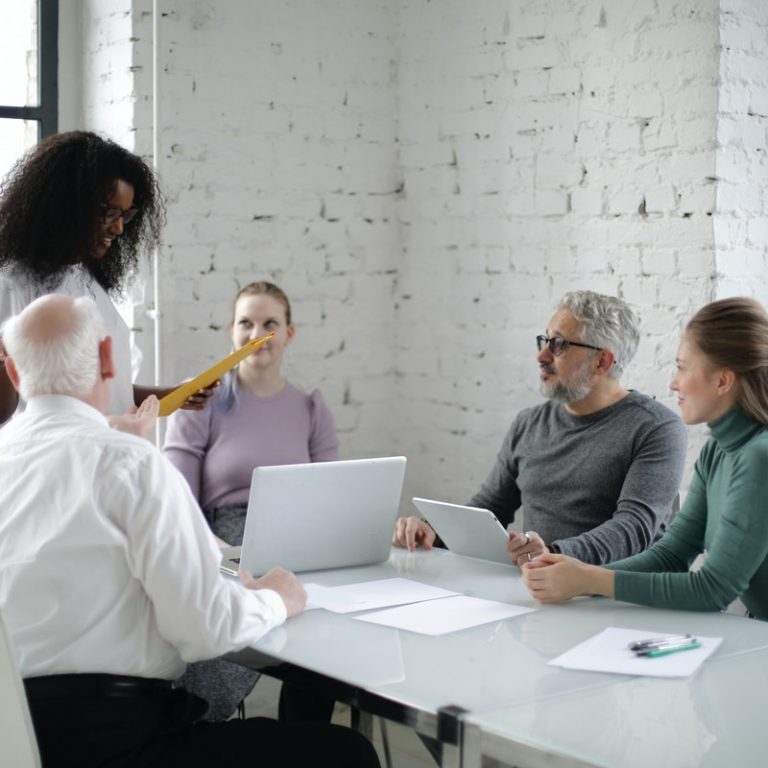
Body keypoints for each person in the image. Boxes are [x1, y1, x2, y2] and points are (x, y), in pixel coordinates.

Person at [0, 293, 379, 768]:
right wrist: (279, 599)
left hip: (14, 740)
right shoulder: (131, 463)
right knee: (347, 754)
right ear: (107, 358)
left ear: (14, 372)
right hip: (119, 743)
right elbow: (206, 629)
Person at [393, 290, 687, 566]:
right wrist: (434, 530)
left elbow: (634, 528)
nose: (542, 355)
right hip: (539, 586)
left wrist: (553, 555)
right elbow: (491, 508)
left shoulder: (656, 429)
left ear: (602, 361)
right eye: (545, 341)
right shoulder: (529, 423)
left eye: (558, 344)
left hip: (614, 594)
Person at [522, 297, 768, 620]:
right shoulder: (717, 450)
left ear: (723, 381)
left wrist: (588, 580)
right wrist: (579, 576)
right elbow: (671, 555)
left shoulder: (759, 457)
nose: (673, 383)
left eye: (682, 367)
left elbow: (713, 590)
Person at [164, 280, 339, 721]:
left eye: (269, 324)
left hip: (297, 545)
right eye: (246, 322)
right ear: (232, 330)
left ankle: (306, 741)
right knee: (229, 616)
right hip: (222, 543)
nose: (257, 334)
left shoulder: (311, 408)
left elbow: (329, 502)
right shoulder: (202, 401)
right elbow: (178, 504)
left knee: (326, 624)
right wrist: (226, 557)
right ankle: (202, 722)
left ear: (289, 334)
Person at [0, 130, 213, 430]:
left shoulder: (86, 279)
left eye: (125, 215)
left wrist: (174, 395)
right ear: (64, 203)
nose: (118, 228)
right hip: (59, 454)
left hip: (104, 448)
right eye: (107, 212)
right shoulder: (12, 286)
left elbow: (110, 391)